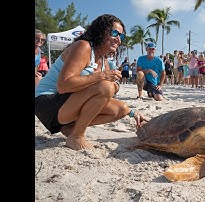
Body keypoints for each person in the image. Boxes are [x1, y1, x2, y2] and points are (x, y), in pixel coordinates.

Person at [35, 14, 148, 151]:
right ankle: (77, 135)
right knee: (105, 86)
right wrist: (102, 76)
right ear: (101, 32)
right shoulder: (83, 47)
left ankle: (70, 128)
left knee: (121, 109)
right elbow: (63, 85)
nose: (119, 39)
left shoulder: (104, 61)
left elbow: (102, 92)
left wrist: (133, 112)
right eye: (114, 33)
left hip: (66, 105)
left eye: (122, 36)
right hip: (46, 102)